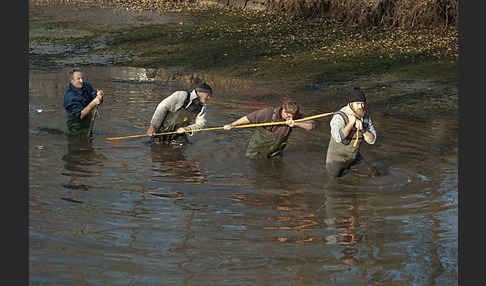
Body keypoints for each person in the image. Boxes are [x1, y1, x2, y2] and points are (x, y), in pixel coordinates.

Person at [223, 98, 315, 159]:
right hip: (257, 151)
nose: (289, 117)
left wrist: (296, 123)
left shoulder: (296, 116)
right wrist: (232, 124)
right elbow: (247, 118)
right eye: (287, 114)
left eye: (292, 115)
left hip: (276, 153)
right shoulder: (267, 113)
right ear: (282, 109)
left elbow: (311, 126)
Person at [325, 87, 378, 178]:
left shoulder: (366, 117)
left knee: (374, 174)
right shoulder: (339, 116)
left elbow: (372, 140)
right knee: (334, 184)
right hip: (336, 160)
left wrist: (363, 130)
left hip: (354, 157)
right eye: (358, 104)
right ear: (351, 103)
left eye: (362, 103)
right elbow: (338, 137)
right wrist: (351, 123)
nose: (361, 106)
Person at [146, 83, 212, 145]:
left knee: (183, 149)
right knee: (156, 150)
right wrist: (153, 126)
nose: (209, 98)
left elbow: (201, 124)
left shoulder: (202, 107)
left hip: (180, 134)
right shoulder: (181, 95)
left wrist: (188, 129)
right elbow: (162, 106)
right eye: (208, 95)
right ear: (200, 92)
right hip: (162, 131)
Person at [63, 68, 104, 138]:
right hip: (76, 126)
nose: (81, 81)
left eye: (82, 78)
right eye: (78, 79)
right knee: (80, 142)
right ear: (72, 81)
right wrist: (93, 103)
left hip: (88, 122)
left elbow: (94, 96)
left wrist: (99, 95)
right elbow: (80, 115)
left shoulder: (86, 86)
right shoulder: (70, 97)